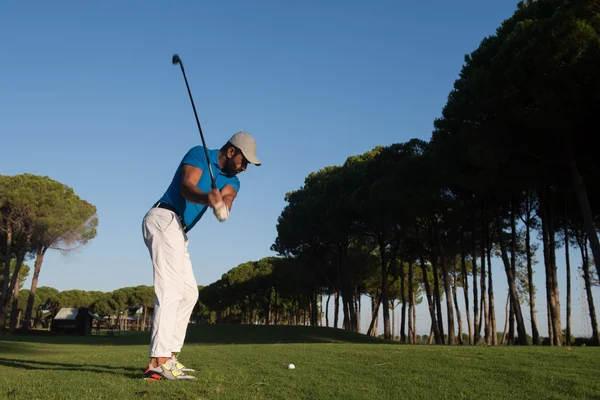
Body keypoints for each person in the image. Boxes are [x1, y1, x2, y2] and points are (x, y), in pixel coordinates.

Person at [141, 131, 261, 381]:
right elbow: (187, 188)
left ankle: (170, 358)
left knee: (189, 293)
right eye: (244, 161)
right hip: (164, 217)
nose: (245, 167)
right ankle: (158, 361)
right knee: (171, 289)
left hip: (179, 229)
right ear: (231, 152)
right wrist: (208, 198)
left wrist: (222, 206)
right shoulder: (199, 153)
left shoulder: (233, 179)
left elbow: (228, 197)